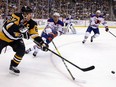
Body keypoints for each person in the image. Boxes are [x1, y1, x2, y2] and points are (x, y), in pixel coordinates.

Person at [0, 6, 48, 75]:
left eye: (31, 13)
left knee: (21, 50)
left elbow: (34, 35)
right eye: (29, 14)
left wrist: (42, 43)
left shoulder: (32, 23)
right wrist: (20, 29)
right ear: (24, 14)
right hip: (3, 37)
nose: (31, 15)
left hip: (15, 39)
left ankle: (13, 66)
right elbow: (9, 26)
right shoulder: (16, 16)